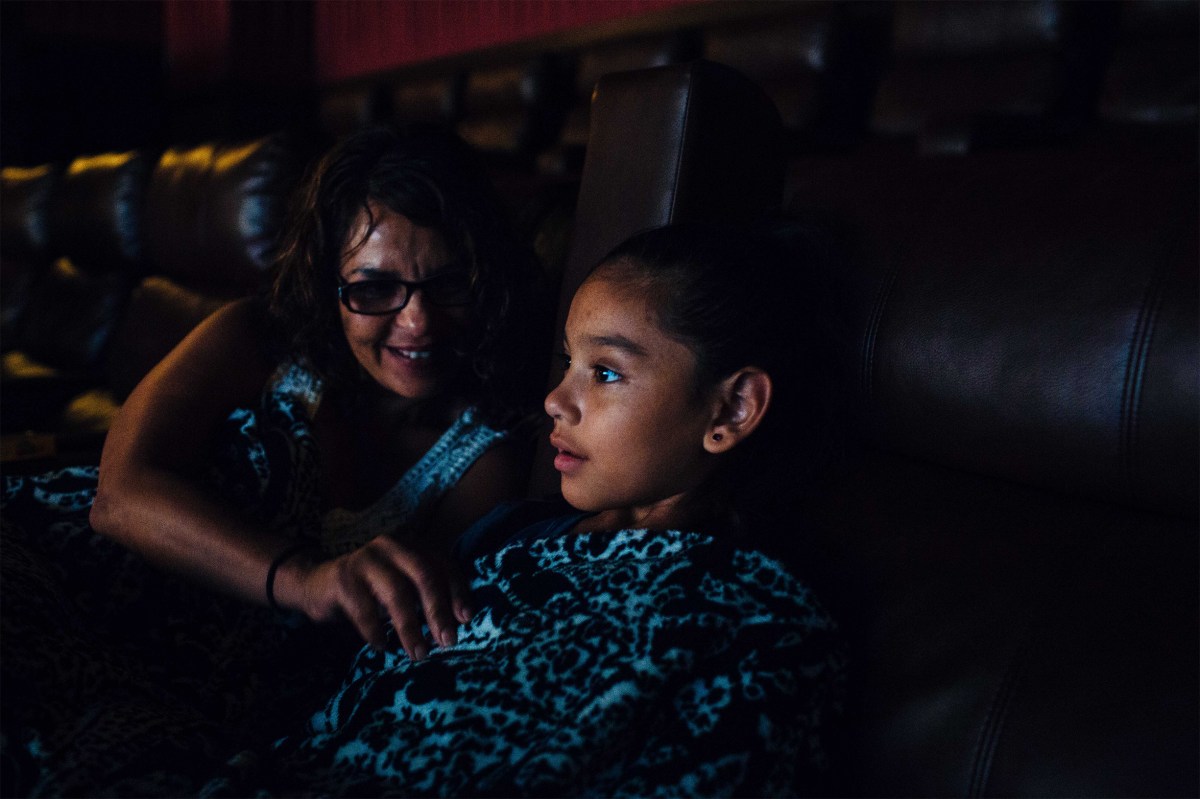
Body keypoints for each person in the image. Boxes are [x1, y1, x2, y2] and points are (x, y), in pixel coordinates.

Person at [205, 221, 847, 798]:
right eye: (570, 362)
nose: (555, 401)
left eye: (607, 374)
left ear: (731, 411)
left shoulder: (753, 623)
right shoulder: (513, 533)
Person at [0, 124, 550, 796]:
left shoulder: (482, 459)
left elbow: (393, 645)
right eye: (374, 288)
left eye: (447, 283)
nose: (418, 324)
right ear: (327, 284)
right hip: (54, 563)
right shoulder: (253, 338)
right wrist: (305, 580)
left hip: (172, 688)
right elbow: (118, 495)